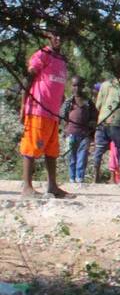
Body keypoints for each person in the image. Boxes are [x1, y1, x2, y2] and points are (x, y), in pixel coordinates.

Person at [18, 26, 72, 198]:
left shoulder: (62, 60)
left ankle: (53, 186)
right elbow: (29, 78)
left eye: (62, 36)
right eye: (56, 35)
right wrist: (23, 105)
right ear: (49, 36)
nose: (59, 39)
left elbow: (58, 87)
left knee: (52, 150)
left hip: (53, 113)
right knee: (31, 147)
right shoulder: (43, 54)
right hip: (37, 109)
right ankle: (27, 186)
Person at [92, 62, 120, 184]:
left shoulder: (104, 85)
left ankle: (95, 177)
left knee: (99, 150)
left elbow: (98, 105)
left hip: (102, 121)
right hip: (117, 122)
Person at [60, 77, 97, 184]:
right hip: (71, 134)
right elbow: (62, 116)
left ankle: (80, 178)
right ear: (71, 86)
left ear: (83, 87)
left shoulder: (88, 102)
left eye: (79, 85)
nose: (77, 88)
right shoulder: (68, 102)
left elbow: (94, 116)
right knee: (71, 157)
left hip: (84, 134)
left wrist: (91, 125)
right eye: (74, 85)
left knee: (82, 157)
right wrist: (65, 130)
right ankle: (72, 178)